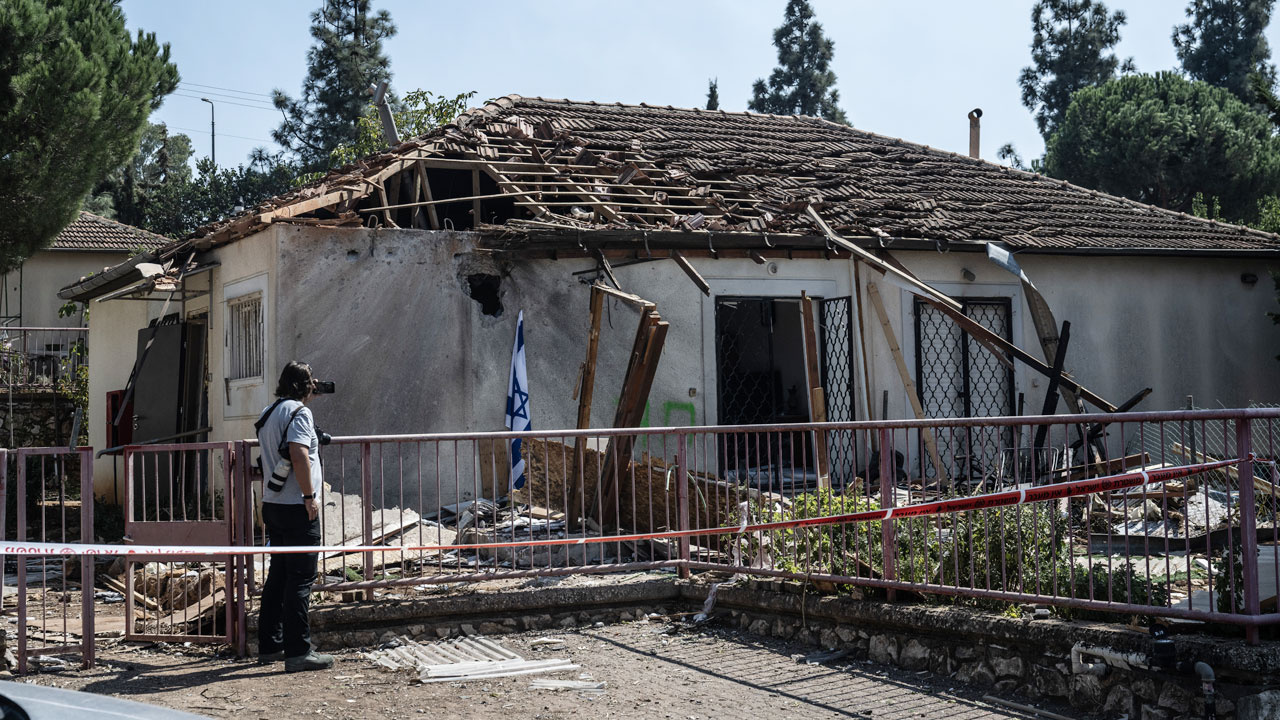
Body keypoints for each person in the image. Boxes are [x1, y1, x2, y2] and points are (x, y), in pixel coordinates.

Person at [255, 361, 334, 672]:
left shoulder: (271, 410)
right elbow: (299, 453)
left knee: (278, 577)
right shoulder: (300, 413)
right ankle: (298, 651)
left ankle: (270, 644)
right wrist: (309, 497)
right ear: (305, 386)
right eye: (312, 383)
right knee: (301, 579)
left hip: (272, 503)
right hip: (295, 506)